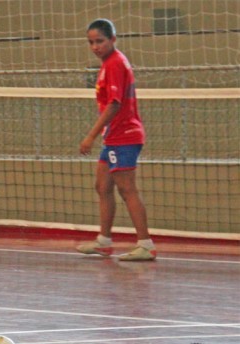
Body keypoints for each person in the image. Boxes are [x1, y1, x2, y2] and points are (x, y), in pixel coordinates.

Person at [76, 19, 157, 261]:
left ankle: (145, 244)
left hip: (124, 136)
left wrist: (90, 136)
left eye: (99, 41)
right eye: (91, 42)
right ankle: (104, 241)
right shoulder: (107, 64)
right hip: (113, 137)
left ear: (112, 40)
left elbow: (114, 103)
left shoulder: (115, 64)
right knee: (103, 186)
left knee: (126, 188)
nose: (95, 46)